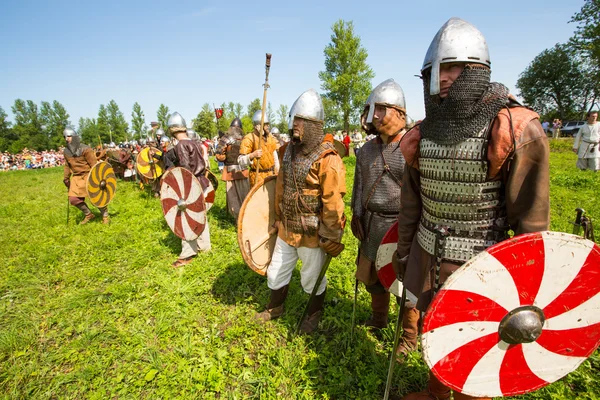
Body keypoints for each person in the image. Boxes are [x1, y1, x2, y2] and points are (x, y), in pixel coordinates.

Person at [395, 18, 549, 400]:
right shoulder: (422, 133)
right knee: (435, 329)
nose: (443, 78)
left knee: (476, 343)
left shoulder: (513, 126)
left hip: (484, 260)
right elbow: (412, 204)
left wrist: (526, 284)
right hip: (429, 250)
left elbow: (530, 218)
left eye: (453, 67)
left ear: (477, 71)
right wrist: (403, 252)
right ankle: (435, 392)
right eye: (435, 70)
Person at [255, 89, 347, 334]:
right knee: (276, 271)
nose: (295, 125)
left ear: (313, 125)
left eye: (300, 121)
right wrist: (277, 218)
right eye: (294, 120)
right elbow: (280, 189)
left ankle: (313, 314)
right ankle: (275, 307)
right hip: (287, 228)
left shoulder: (328, 158)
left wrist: (331, 234)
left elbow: (332, 200)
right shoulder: (287, 152)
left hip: (312, 232)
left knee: (311, 277)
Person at [351, 78, 419, 357]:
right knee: (372, 278)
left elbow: (422, 193)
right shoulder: (366, 150)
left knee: (406, 287)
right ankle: (379, 319)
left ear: (400, 113)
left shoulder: (413, 146)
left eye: (382, 109)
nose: (375, 115)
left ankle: (409, 336)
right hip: (372, 223)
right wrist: (356, 212)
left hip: (402, 227)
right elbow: (359, 184)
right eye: (373, 109)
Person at [168, 112, 212, 267]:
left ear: (172, 130)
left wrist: (185, 189)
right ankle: (205, 247)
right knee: (201, 216)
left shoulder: (181, 145)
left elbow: (186, 170)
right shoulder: (194, 142)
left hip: (192, 186)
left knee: (184, 218)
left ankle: (187, 254)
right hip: (202, 183)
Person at [62, 127, 110, 224]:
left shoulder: (85, 149)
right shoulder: (66, 151)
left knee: (96, 197)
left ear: (74, 137)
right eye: (65, 137)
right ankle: (88, 214)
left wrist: (98, 178)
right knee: (73, 199)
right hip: (76, 178)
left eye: (69, 136)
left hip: (89, 175)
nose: (67, 139)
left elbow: (94, 164)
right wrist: (66, 178)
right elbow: (67, 165)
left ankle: (105, 216)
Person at [215, 117, 250, 220]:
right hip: (243, 170)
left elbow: (219, 155)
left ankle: (237, 218)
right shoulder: (245, 139)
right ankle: (245, 217)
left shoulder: (226, 138)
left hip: (230, 171)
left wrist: (225, 157)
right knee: (245, 195)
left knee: (233, 198)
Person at [238, 110, 279, 186]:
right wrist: (252, 155)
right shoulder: (249, 138)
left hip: (271, 176)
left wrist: (277, 171)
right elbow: (240, 160)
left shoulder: (270, 138)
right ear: (258, 125)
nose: (268, 126)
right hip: (257, 177)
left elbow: (275, 157)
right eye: (266, 124)